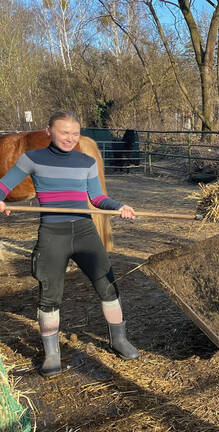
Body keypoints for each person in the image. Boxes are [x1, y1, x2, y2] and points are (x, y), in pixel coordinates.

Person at [0, 110, 140, 377]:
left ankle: (119, 339)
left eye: (75, 133)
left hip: (85, 232)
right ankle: (52, 354)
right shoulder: (31, 158)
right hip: (53, 234)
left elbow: (97, 198)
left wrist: (119, 206)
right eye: (64, 132)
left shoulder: (85, 161)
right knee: (50, 295)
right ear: (48, 131)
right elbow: (3, 186)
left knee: (108, 285)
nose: (70, 138)